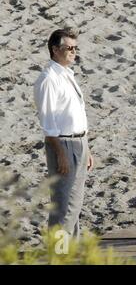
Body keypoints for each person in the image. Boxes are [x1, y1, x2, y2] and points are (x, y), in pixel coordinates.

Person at [34, 27, 94, 238]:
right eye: (69, 48)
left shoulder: (67, 75)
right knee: (63, 206)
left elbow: (75, 114)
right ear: (54, 49)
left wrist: (86, 148)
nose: (73, 52)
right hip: (63, 144)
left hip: (79, 143)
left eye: (75, 48)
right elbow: (48, 124)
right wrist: (61, 154)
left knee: (74, 205)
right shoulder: (49, 79)